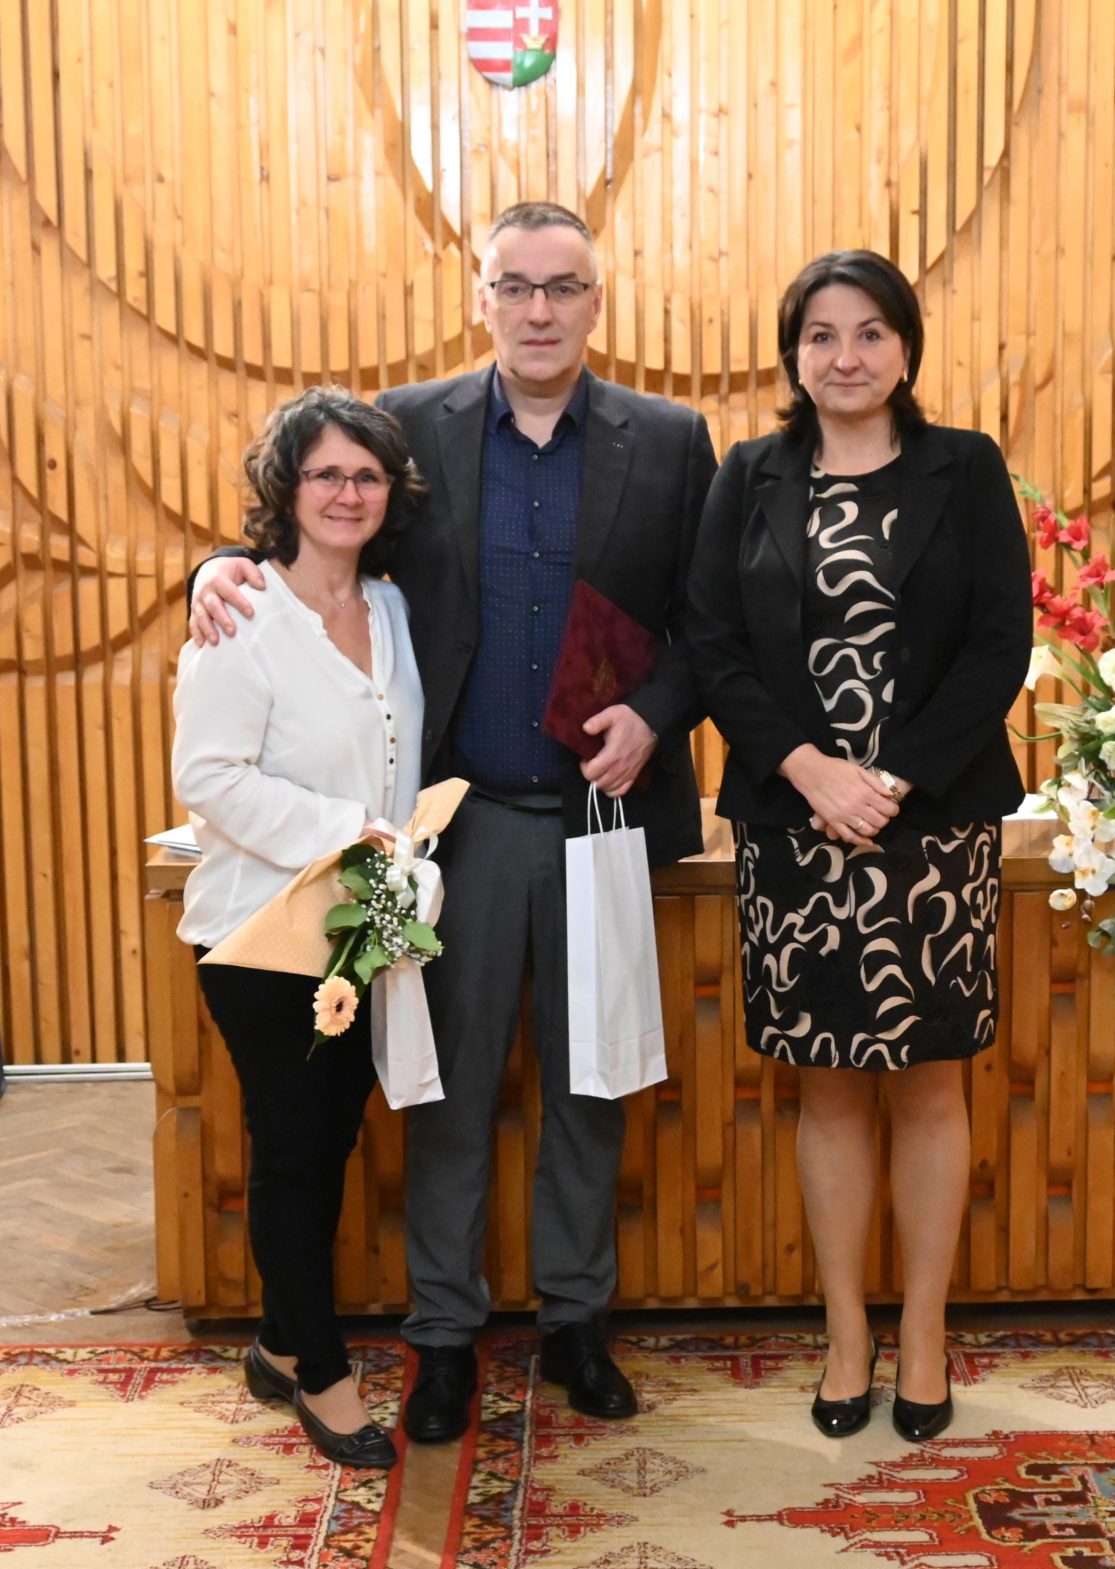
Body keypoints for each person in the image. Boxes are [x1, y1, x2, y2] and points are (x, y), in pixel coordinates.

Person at [189, 203, 717, 1444]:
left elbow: (713, 620)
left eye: (564, 287)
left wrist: (656, 712)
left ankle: (577, 1320)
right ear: (480, 299)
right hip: (448, 830)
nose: (539, 310)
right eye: (514, 286)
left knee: (592, 1081)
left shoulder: (669, 439)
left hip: (600, 816)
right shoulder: (412, 425)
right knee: (445, 1088)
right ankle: (442, 1335)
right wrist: (210, 566)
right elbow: (314, 529)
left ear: (597, 302)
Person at [684, 250, 1031, 1441]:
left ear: (906, 348)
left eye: (870, 332)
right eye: (821, 334)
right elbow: (713, 643)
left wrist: (891, 777)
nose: (846, 356)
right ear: (793, 354)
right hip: (796, 828)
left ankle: (923, 1334)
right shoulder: (749, 474)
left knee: (931, 1083)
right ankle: (845, 1336)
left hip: (931, 825)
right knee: (826, 1087)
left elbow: (998, 644)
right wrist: (808, 768)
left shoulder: (965, 468)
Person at [172, 387, 428, 1469]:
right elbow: (207, 776)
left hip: (363, 924)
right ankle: (322, 1374)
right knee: (292, 1149)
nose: (347, 493)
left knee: (332, 1138)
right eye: (326, 473)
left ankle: (279, 1342)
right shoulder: (239, 615)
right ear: (287, 488)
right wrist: (345, 829)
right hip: (261, 931)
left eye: (367, 475)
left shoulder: (394, 610)